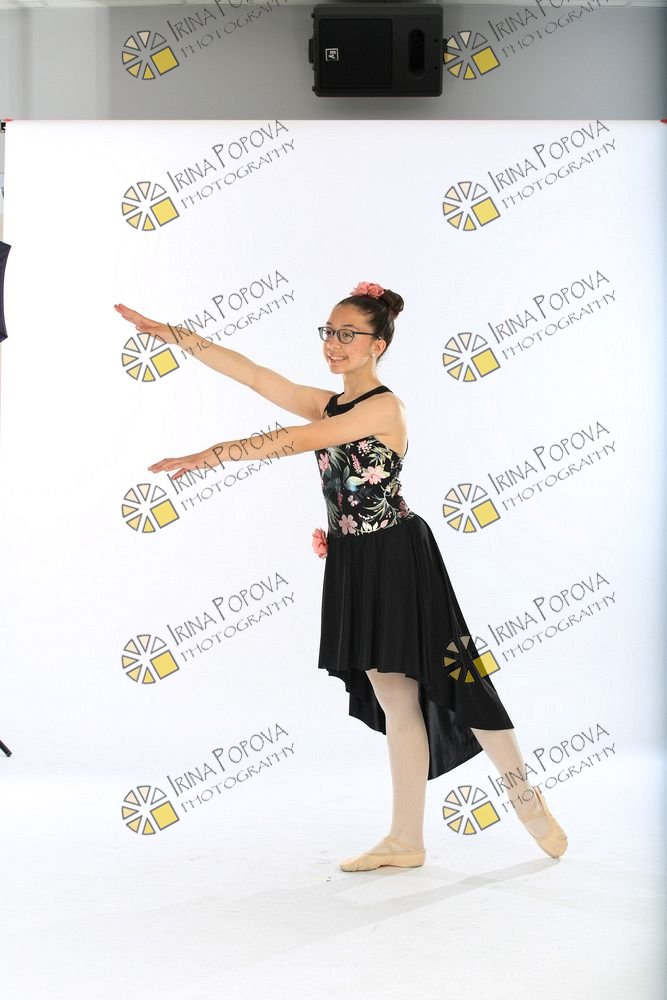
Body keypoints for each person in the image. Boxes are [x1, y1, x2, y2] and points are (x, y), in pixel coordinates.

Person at [114, 281, 568, 872]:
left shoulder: (384, 407)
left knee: (461, 679)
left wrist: (213, 454)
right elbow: (254, 375)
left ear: (378, 344)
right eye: (329, 332)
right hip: (356, 561)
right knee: (395, 696)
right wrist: (176, 336)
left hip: (401, 558)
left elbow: (296, 441)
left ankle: (526, 799)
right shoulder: (329, 403)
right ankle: (406, 839)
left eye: (348, 334)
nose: (334, 343)